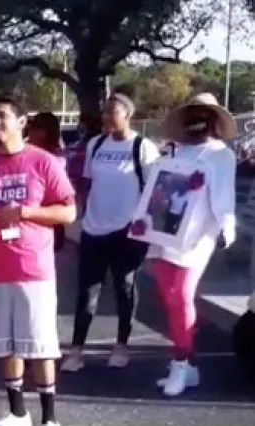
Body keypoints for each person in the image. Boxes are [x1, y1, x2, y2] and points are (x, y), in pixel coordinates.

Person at [0, 93, 76, 426]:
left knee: (40, 345)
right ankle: (16, 412)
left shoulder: (43, 162)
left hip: (34, 270)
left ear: (21, 121)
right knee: (6, 345)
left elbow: (68, 213)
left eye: (2, 116)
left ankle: (50, 419)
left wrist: (25, 213)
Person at [61, 94, 160, 372]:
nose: (106, 117)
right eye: (105, 112)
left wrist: (144, 223)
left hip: (127, 231)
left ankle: (121, 346)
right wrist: (79, 215)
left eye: (112, 112)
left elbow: (154, 191)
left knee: (124, 287)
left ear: (127, 114)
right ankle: (76, 350)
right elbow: (88, 184)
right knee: (87, 292)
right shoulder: (96, 144)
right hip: (94, 229)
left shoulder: (143, 147)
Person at [150, 92, 236, 397]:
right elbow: (159, 189)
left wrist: (226, 228)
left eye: (204, 114)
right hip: (165, 234)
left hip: (198, 237)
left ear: (213, 120)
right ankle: (190, 366)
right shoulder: (175, 152)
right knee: (169, 297)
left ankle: (181, 361)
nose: (197, 119)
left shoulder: (220, 154)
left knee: (182, 296)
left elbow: (224, 198)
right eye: (192, 113)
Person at [27, 112, 67, 252]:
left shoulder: (56, 158)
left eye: (34, 129)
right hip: (27, 219)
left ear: (44, 132)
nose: (29, 133)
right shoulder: (24, 152)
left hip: (49, 218)